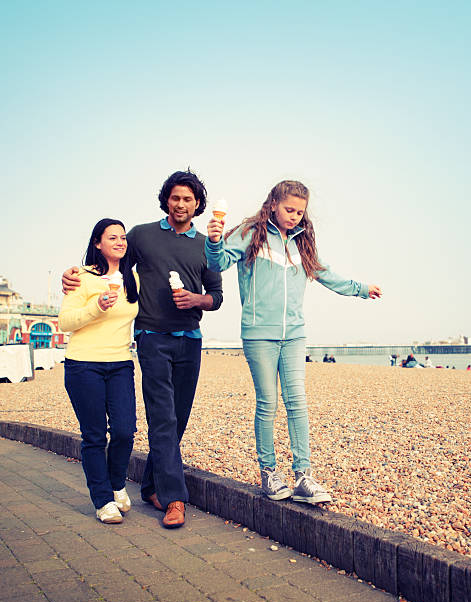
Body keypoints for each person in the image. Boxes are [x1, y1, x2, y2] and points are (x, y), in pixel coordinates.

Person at [62, 170, 223, 528]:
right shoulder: (142, 235)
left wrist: (197, 299)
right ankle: (174, 499)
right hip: (150, 338)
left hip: (191, 340)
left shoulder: (206, 246)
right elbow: (108, 259)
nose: (181, 204)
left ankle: (151, 485)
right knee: (162, 418)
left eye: (188, 199)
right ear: (166, 199)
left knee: (177, 420)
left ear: (198, 205)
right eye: (175, 197)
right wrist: (75, 277)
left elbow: (217, 296)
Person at [205, 180, 382, 504]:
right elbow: (217, 265)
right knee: (268, 403)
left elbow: (324, 273)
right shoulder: (250, 233)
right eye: (289, 210)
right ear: (273, 203)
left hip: (294, 334)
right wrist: (214, 241)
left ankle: (303, 476)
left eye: (300, 212)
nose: (294, 217)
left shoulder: (302, 241)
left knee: (297, 402)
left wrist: (360, 288)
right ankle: (270, 474)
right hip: (259, 333)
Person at [59, 219, 139, 524]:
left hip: (120, 364)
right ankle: (102, 499)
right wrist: (97, 307)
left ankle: (117, 483)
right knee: (93, 436)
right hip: (83, 365)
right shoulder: (82, 277)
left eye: (123, 237)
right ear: (97, 243)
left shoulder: (134, 279)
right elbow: (66, 322)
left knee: (124, 430)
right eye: (112, 237)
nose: (120, 241)